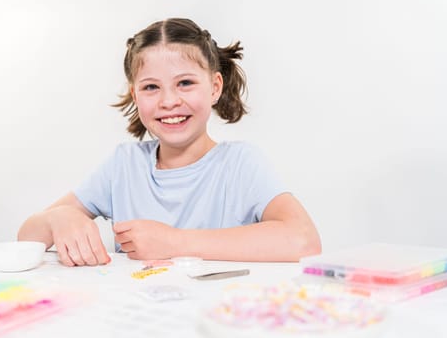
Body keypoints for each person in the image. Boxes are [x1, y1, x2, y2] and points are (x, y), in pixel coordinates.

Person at [17, 17, 321, 266]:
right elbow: (26, 238)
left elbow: (304, 241)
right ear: (135, 95)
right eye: (151, 87)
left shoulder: (240, 164)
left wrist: (174, 242)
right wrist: (59, 217)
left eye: (185, 83)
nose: (169, 101)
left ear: (215, 87)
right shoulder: (123, 165)